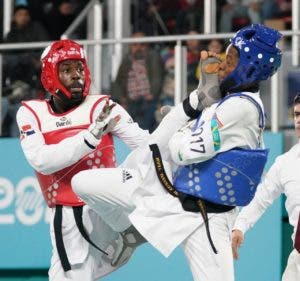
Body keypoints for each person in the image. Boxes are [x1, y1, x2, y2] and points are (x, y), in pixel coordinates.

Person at [72, 24, 282, 281]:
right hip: (169, 190)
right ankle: (129, 231)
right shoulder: (228, 99)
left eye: (231, 60)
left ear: (248, 68)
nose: (223, 65)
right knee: (81, 182)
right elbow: (168, 141)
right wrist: (194, 105)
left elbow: (183, 153)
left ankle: (135, 231)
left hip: (205, 218)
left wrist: (182, 129)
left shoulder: (239, 108)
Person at [16, 39, 148, 281]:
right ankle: (130, 233)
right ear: (49, 75)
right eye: (66, 70)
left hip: (105, 207)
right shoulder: (30, 112)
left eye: (79, 69)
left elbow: (145, 145)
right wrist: (89, 137)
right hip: (69, 213)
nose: (76, 76)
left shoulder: (104, 107)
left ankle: (133, 226)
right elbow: (41, 160)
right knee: (63, 276)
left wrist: (177, 127)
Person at [231, 93, 300, 280]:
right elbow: (261, 198)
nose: (299, 120)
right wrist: (239, 226)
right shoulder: (285, 163)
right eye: (297, 115)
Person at [111, 31, 164, 132]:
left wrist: (153, 94)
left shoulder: (153, 57)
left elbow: (158, 78)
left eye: (142, 44)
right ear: (130, 46)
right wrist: (122, 99)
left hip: (149, 101)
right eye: (135, 45)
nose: (138, 48)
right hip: (130, 102)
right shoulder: (127, 60)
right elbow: (118, 81)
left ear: (147, 46)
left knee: (144, 126)